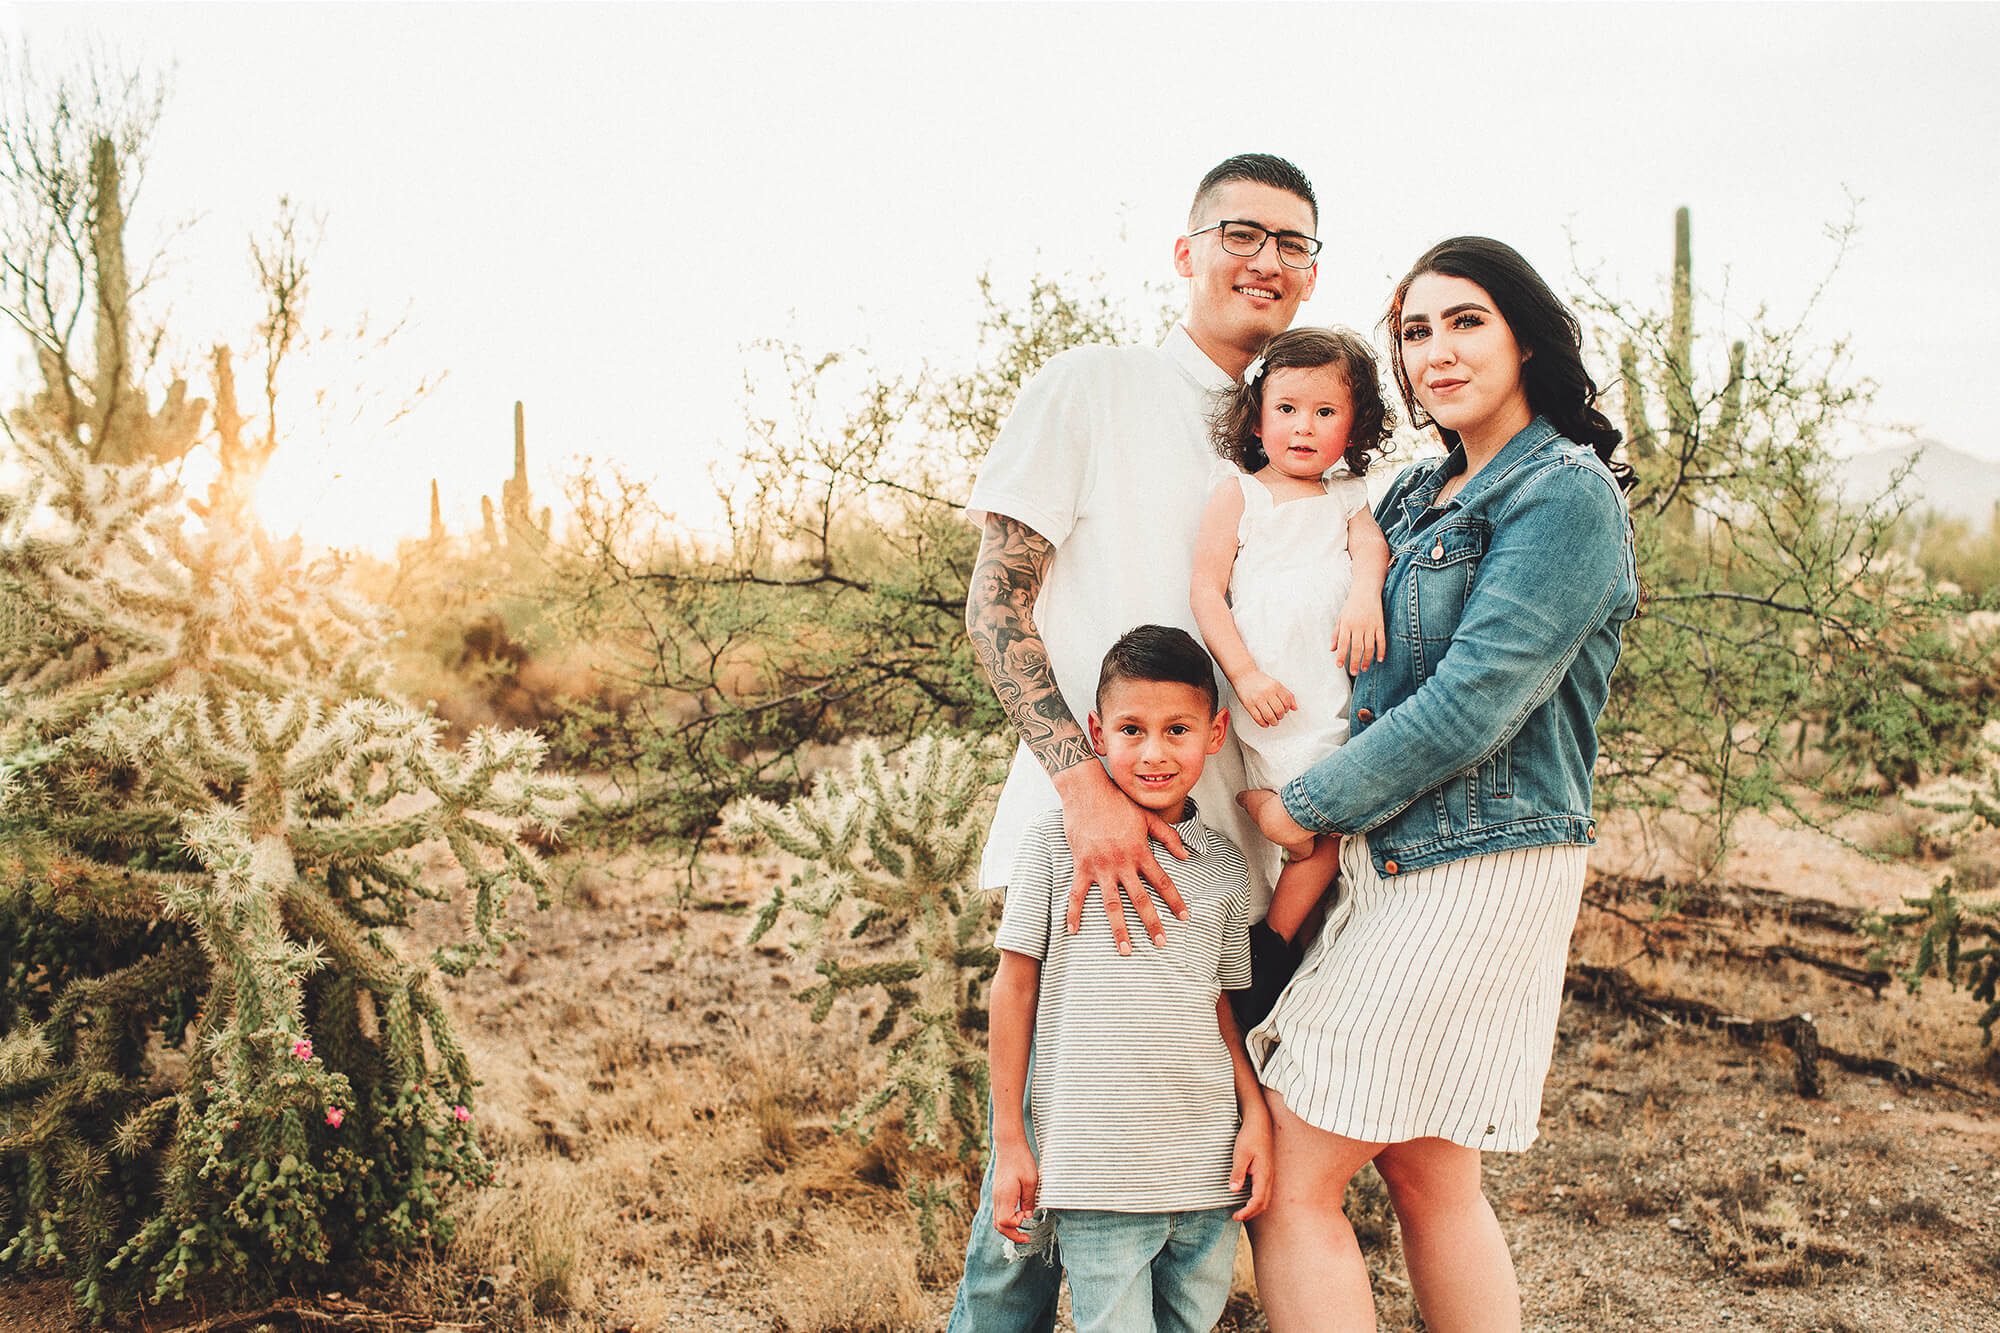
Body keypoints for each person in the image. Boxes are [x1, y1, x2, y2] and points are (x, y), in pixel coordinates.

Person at [1235, 236, 1640, 1333]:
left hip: (1477, 859)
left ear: (1522, 333)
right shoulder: (1417, 490)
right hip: (1390, 856)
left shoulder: (1562, 495)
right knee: (1427, 1172)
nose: (1436, 352)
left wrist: (1298, 807)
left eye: (1464, 321)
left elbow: (1473, 704)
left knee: (1291, 1172)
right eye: (1414, 331)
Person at [951, 152, 1318, 1331]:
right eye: (1239, 233)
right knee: (1030, 1208)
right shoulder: (1093, 386)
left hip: (1240, 867)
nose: (1265, 260)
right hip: (1086, 841)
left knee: (1195, 1182)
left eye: (1293, 244)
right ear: (1186, 250)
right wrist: (1083, 788)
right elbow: (992, 602)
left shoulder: (1300, 437)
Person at [987, 625, 1271, 1333]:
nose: (1153, 752)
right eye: (1131, 728)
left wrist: (1256, 1114)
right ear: (1095, 731)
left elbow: (1219, 1007)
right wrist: (1011, 1143)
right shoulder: (1054, 844)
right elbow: (1014, 988)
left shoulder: (1224, 869)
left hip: (1206, 1173)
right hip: (1096, 1178)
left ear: (1215, 732)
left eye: (1177, 728)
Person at [1189, 327, 1392, 990]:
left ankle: (1285, 948)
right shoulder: (1241, 493)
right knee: (1320, 833)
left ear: (1353, 424)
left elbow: (1372, 553)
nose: (1304, 427)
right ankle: (1269, 949)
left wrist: (1365, 595)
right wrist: (1244, 673)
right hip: (1275, 694)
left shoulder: (1346, 496)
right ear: (1258, 414)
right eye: (1287, 408)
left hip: (1333, 692)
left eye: (1326, 412)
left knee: (1327, 832)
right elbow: (1206, 590)